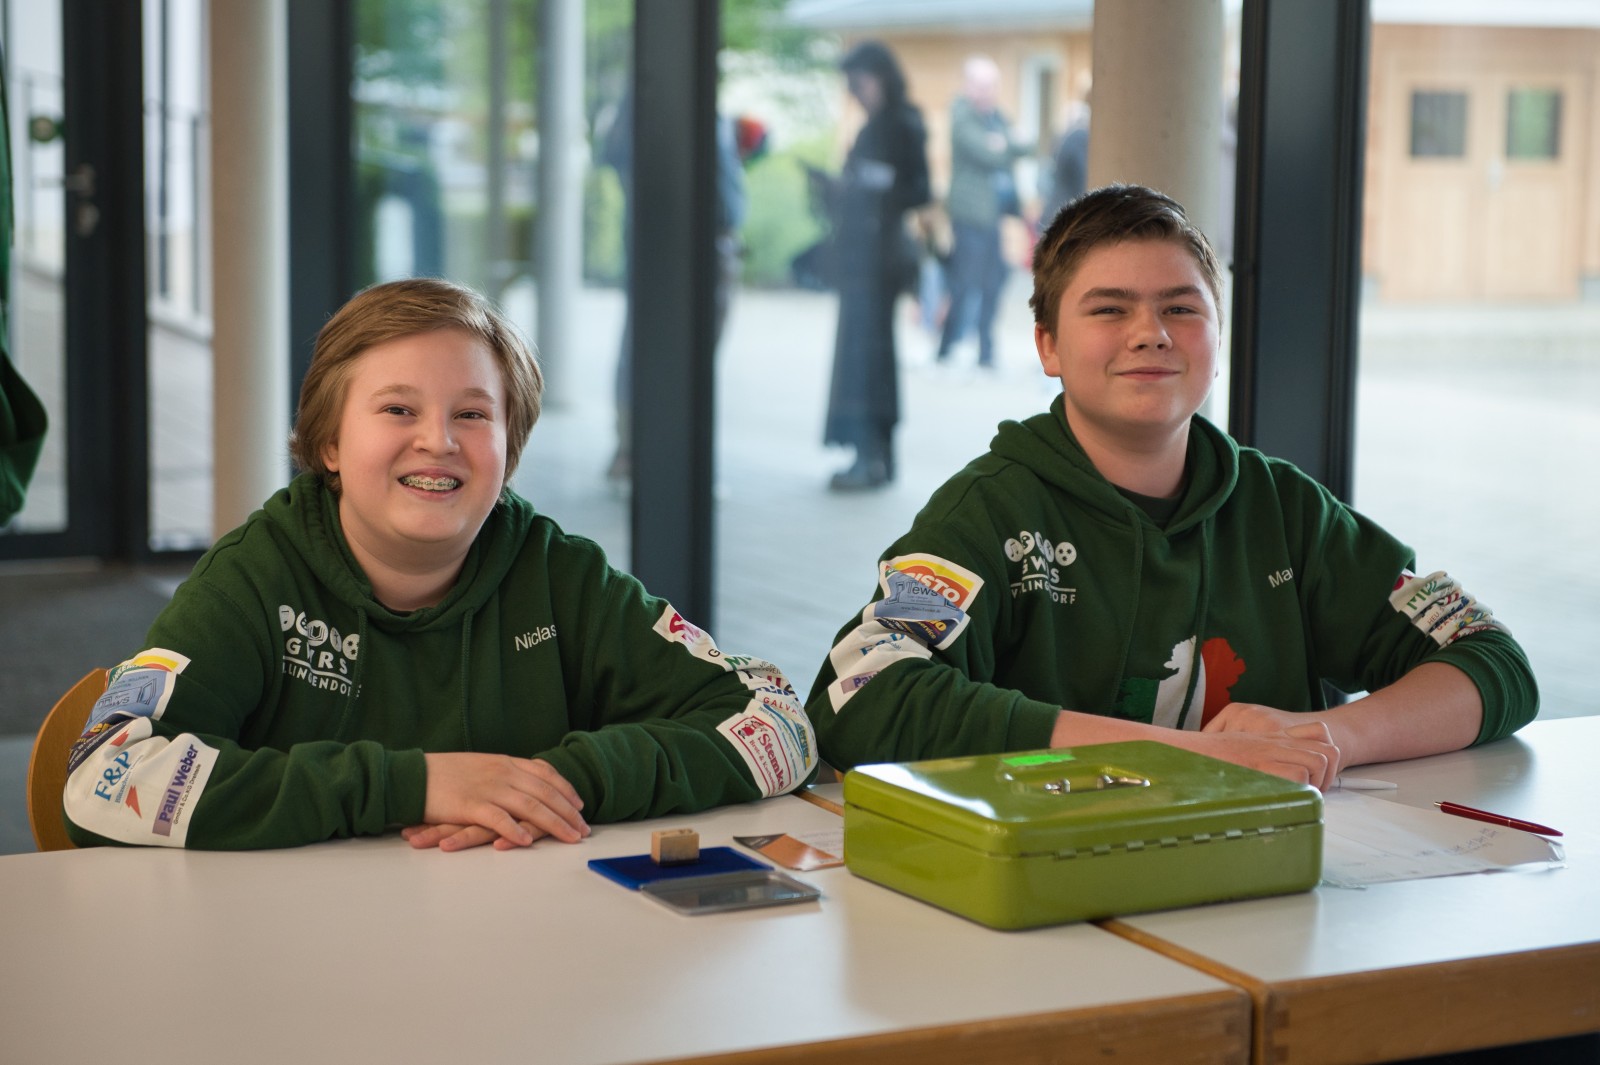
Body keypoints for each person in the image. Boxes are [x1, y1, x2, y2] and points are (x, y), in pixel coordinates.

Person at [804, 184, 1536, 787]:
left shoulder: (1283, 510)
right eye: (1109, 309)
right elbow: (859, 698)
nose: (1150, 333)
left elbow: (1491, 659)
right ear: (1048, 345)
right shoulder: (991, 511)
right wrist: (1188, 755)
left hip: (1266, 877)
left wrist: (1325, 737)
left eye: (1181, 309)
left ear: (1217, 336)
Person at [62, 277, 817, 850]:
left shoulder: (562, 575)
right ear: (329, 443)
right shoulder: (253, 577)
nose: (439, 440)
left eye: (473, 414)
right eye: (398, 409)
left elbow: (781, 724)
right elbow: (104, 777)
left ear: (508, 451)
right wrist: (415, 783)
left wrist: (555, 784)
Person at [816, 40, 930, 491]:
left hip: (880, 258)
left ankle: (874, 457)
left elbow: (919, 189)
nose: (854, 93)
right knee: (861, 354)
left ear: (880, 78)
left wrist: (873, 187)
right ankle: (871, 455)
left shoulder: (902, 124)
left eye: (858, 83)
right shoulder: (874, 126)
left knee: (870, 356)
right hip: (862, 256)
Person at [935, 55, 1031, 371]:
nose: (987, 91)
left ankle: (986, 352)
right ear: (968, 86)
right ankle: (946, 349)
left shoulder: (997, 117)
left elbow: (1024, 146)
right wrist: (1005, 145)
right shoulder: (962, 116)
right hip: (970, 216)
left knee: (993, 284)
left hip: (999, 217)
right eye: (981, 85)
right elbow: (989, 154)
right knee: (963, 284)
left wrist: (1003, 144)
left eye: (992, 85)